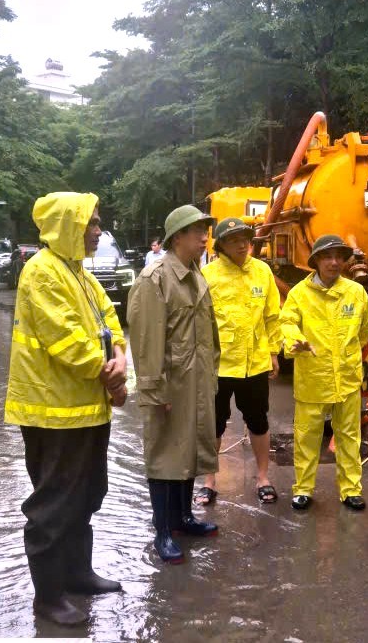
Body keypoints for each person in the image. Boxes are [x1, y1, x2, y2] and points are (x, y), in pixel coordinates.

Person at [4, 192, 128, 627]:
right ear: (66, 226)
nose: (97, 230)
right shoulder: (42, 272)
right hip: (52, 412)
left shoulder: (80, 274)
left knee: (88, 494)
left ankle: (77, 574)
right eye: (90, 223)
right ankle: (49, 596)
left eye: (97, 222)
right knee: (53, 505)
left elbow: (112, 324)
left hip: (88, 408)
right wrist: (110, 373)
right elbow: (68, 342)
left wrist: (121, 361)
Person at [128, 204, 221, 565]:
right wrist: (155, 391)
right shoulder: (155, 279)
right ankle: (162, 530)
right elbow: (146, 342)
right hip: (170, 385)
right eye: (197, 231)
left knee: (189, 451)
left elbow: (209, 332)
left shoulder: (196, 275)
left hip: (195, 382)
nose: (204, 238)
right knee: (165, 454)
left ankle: (183, 518)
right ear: (177, 236)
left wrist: (211, 373)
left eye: (205, 230)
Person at [280, 235, 368, 511]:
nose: (334, 262)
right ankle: (303, 489)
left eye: (339, 257)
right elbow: (286, 323)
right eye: (327, 257)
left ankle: (351, 489)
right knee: (307, 437)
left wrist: (346, 356)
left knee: (349, 436)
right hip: (313, 377)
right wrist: (295, 340)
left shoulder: (356, 293)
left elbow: (364, 332)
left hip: (347, 378)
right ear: (316, 261)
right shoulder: (299, 294)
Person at [198, 217, 283, 506]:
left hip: (254, 363)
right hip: (218, 366)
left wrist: (273, 352)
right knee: (214, 425)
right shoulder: (207, 275)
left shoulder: (262, 271)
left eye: (245, 237)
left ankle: (263, 478)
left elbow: (273, 315)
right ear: (220, 244)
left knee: (258, 422)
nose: (242, 243)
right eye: (234, 239)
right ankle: (209, 481)